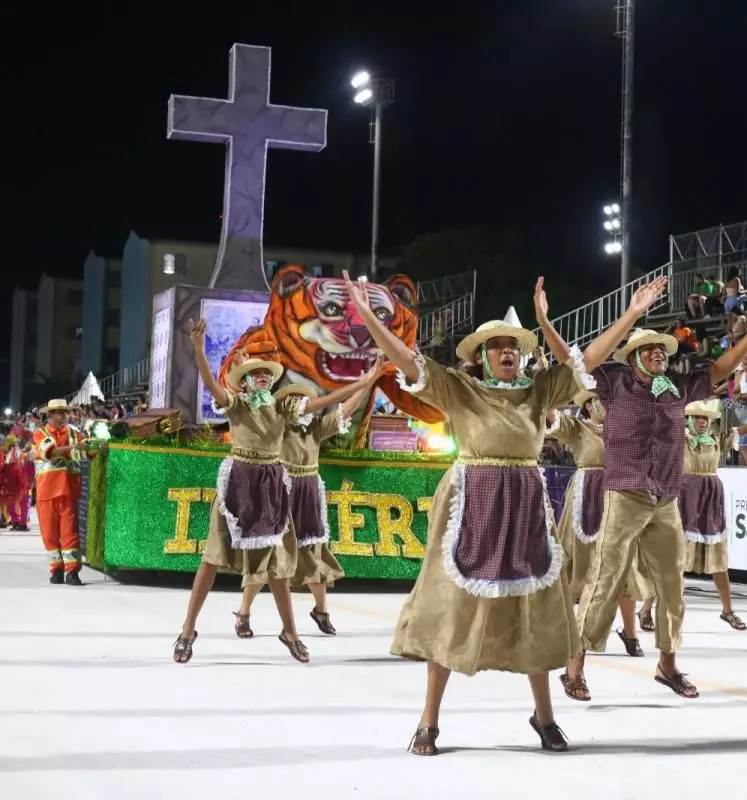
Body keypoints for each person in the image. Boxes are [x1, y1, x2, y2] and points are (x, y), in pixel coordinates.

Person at [347, 271, 593, 756]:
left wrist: (624, 314)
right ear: (481, 355)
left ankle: (544, 717)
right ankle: (428, 720)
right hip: (471, 501)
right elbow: (406, 360)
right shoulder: (459, 388)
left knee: (535, 606)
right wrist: (373, 321)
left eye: (512, 346)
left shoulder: (540, 392)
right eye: (497, 346)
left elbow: (591, 361)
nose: (506, 352)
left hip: (523, 503)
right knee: (451, 606)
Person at [546, 279, 747, 704]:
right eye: (650, 349)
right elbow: (573, 360)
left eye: (664, 350)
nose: (660, 354)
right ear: (632, 357)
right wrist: (632, 314)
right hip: (625, 493)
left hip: (666, 498)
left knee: (673, 584)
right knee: (605, 577)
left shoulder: (679, 387)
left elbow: (721, 371)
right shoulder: (613, 383)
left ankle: (667, 665)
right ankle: (574, 665)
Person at [172, 326, 310, 665]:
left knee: (277, 567)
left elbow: (322, 402)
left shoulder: (282, 408)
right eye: (255, 373)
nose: (262, 377)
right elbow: (211, 385)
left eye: (266, 373)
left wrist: (366, 381)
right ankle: (188, 630)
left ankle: (290, 631)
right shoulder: (236, 405)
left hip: (271, 487)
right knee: (211, 559)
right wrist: (201, 351)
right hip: (238, 485)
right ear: (245, 381)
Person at [232, 363, 382, 638]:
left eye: (304, 399)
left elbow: (343, 411)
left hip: (309, 489)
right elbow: (246, 408)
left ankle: (321, 611)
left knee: (313, 550)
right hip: (280, 488)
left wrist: (366, 384)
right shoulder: (275, 424)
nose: (301, 403)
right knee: (265, 554)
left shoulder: (314, 428)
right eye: (294, 399)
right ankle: (243, 613)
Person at [638, 399, 747, 631]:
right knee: (674, 560)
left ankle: (728, 611)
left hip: (710, 499)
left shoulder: (717, 440)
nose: (700, 422)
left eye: (704, 419)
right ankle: (647, 609)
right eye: (696, 418)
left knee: (719, 561)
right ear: (688, 421)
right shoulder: (680, 440)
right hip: (686, 497)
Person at [545, 393, 649, 658]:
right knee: (576, 563)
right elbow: (551, 416)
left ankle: (630, 632)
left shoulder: (626, 429)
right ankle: (567, 631)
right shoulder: (578, 428)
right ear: (589, 406)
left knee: (624, 565)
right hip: (585, 498)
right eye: (603, 401)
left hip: (618, 496)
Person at [33, 399, 97, 585]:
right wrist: (73, 448)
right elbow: (50, 453)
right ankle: (56, 569)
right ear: (50, 414)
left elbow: (87, 452)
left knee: (70, 532)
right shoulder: (40, 433)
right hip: (46, 491)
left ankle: (72, 572)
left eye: (65, 411)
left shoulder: (75, 433)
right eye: (59, 412)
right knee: (49, 533)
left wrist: (95, 445)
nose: (63, 415)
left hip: (68, 489)